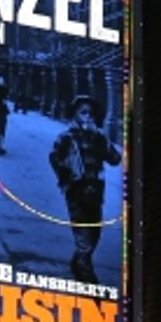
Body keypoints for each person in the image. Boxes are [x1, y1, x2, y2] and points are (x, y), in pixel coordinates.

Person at [49, 93, 121, 283]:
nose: (88, 117)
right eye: (83, 112)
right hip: (76, 192)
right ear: (74, 114)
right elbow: (54, 158)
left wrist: (104, 139)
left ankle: (78, 261)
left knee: (95, 232)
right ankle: (86, 275)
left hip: (96, 191)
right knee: (83, 235)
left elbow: (115, 159)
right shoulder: (66, 137)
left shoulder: (98, 137)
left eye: (91, 113)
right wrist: (67, 173)